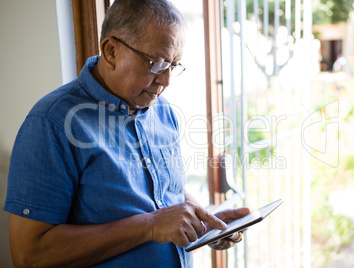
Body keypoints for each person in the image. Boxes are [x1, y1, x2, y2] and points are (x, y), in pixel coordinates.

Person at [3, 0, 250, 267]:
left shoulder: (162, 110)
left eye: (174, 65)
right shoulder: (52, 122)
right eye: (157, 63)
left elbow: (167, 193)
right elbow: (29, 255)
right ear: (110, 51)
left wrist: (206, 224)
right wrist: (150, 225)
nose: (166, 81)